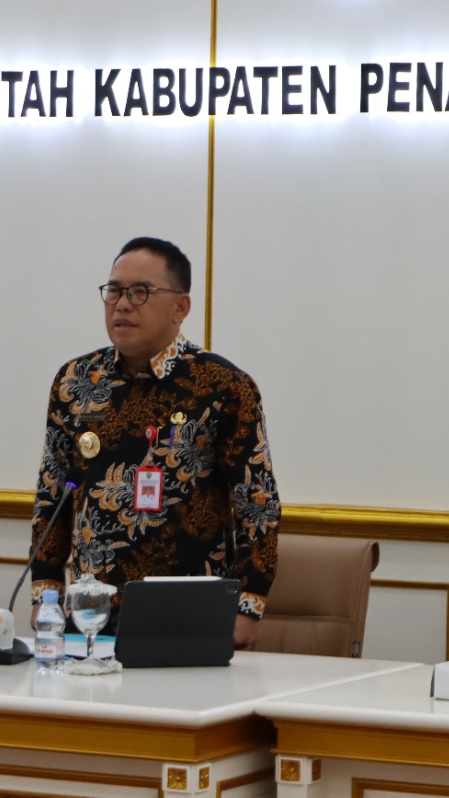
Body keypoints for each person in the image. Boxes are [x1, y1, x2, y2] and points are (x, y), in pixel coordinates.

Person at [28, 237, 280, 649]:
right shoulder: (76, 381)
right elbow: (52, 494)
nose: (123, 304)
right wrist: (45, 591)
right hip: (90, 613)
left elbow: (257, 503)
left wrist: (248, 607)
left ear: (181, 306)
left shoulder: (224, 387)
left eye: (140, 292)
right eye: (114, 291)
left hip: (189, 612)